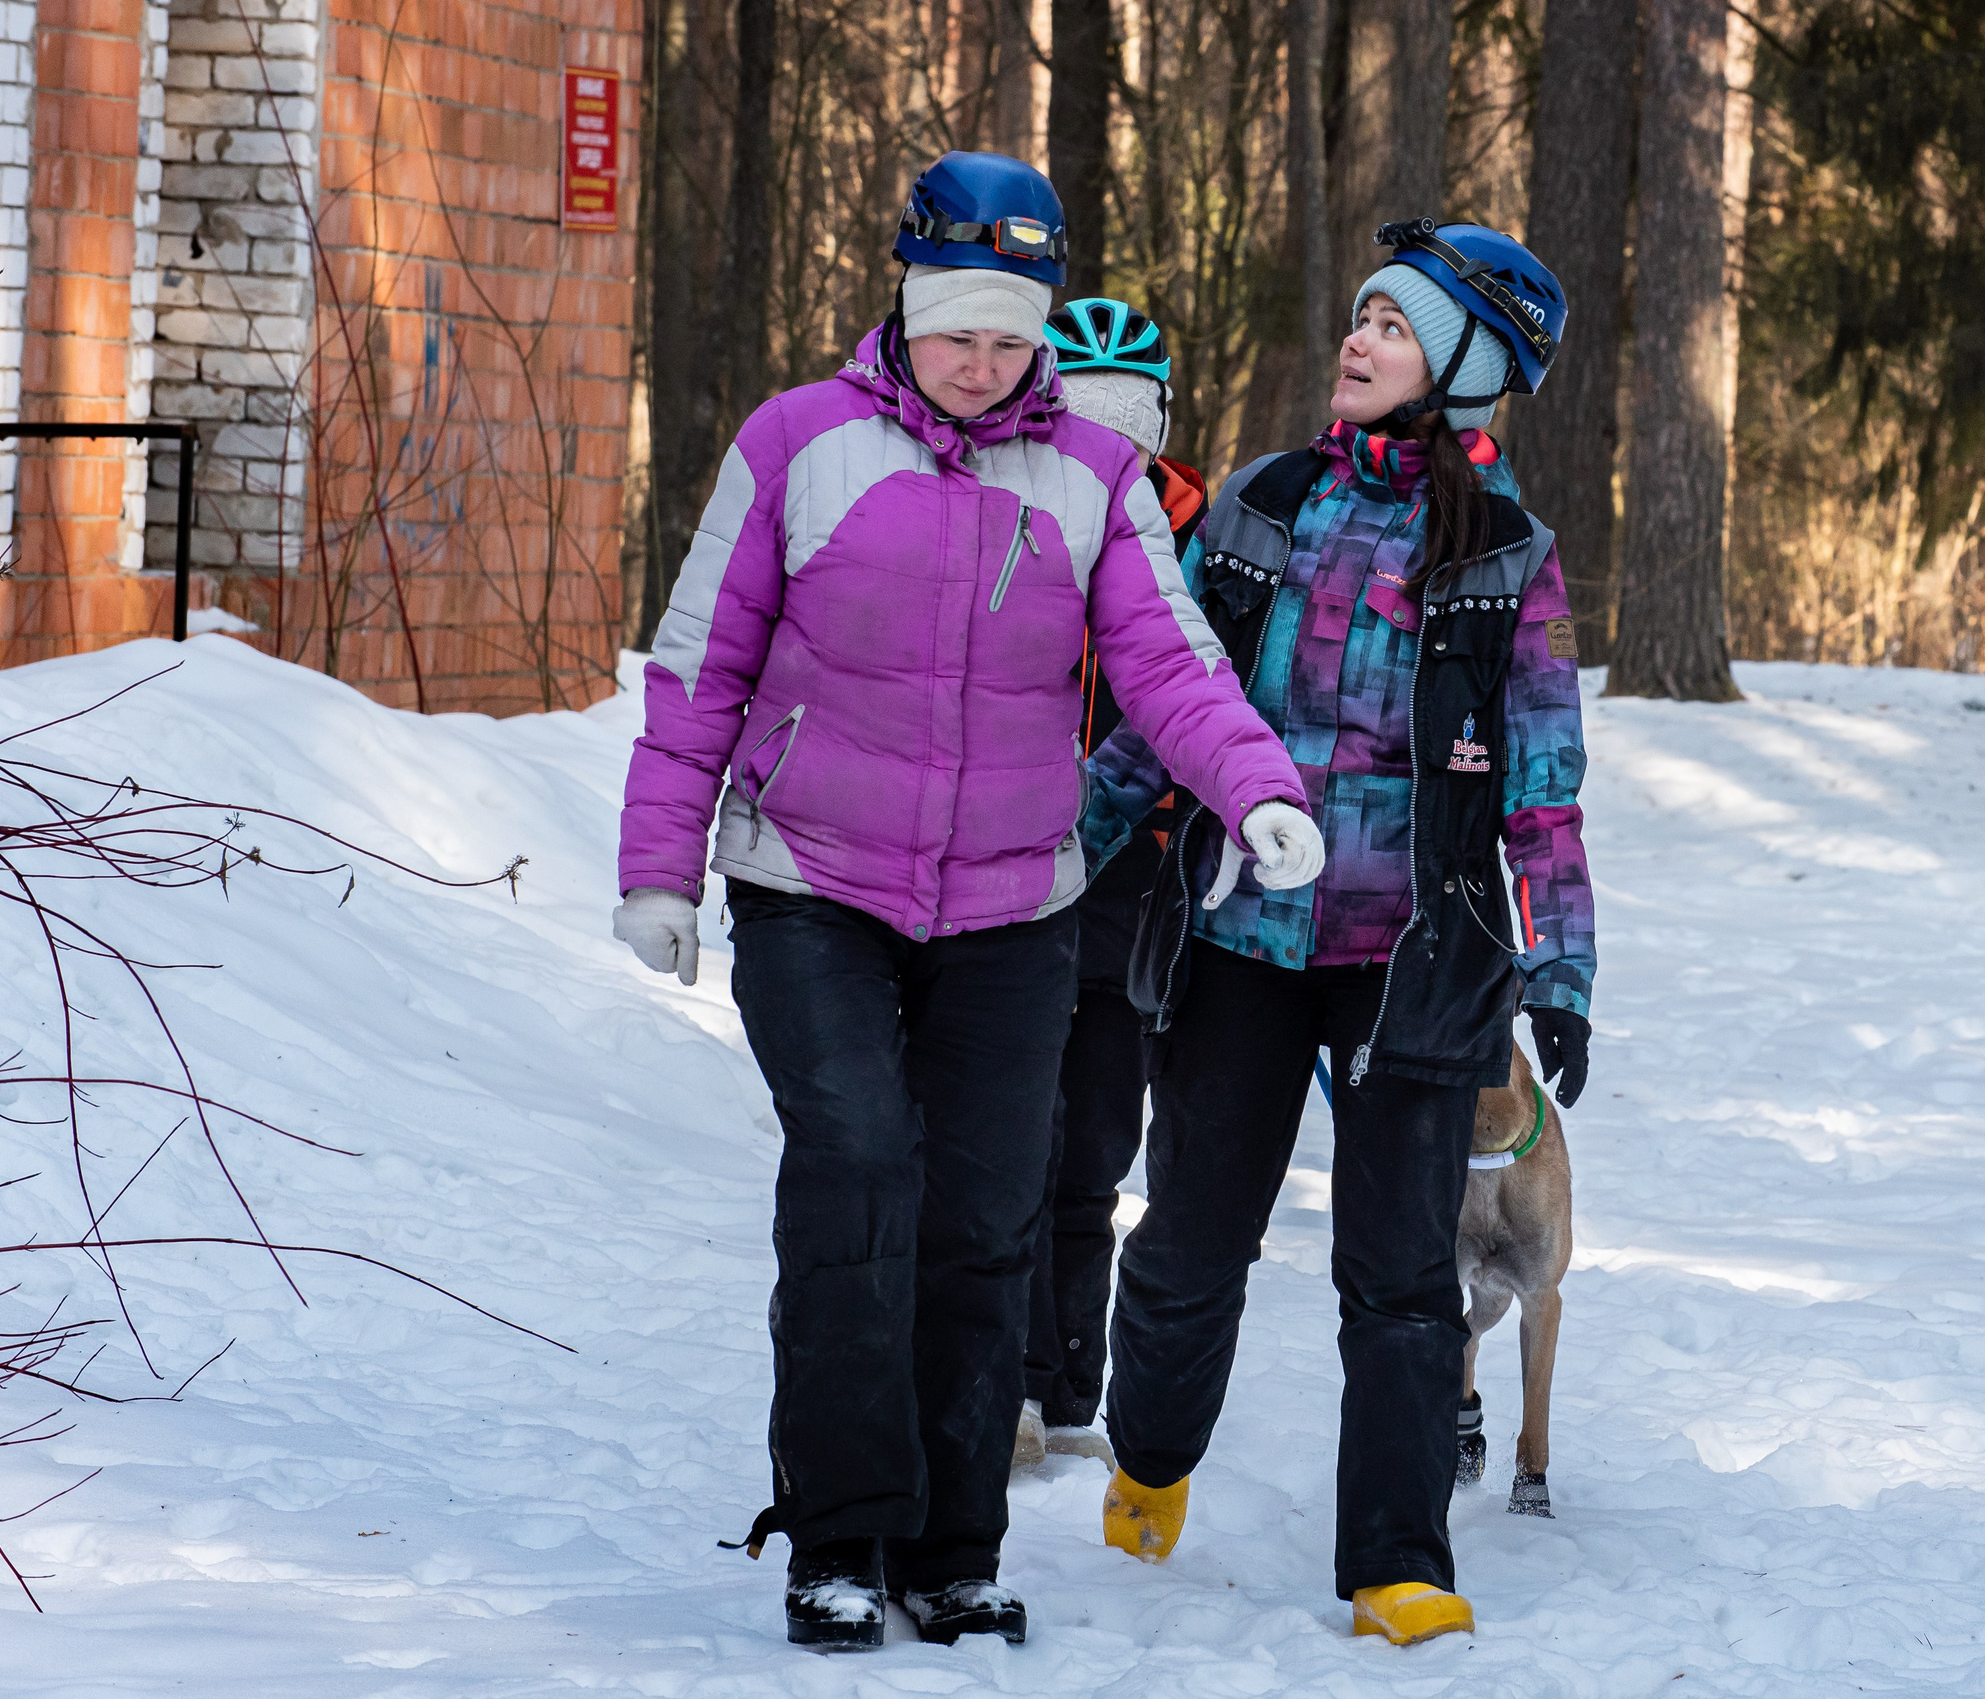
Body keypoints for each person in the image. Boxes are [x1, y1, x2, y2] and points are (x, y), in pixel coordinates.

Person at [609, 152, 1325, 1654]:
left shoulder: (1094, 475)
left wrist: (1257, 790)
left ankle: (951, 1546)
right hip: (813, 883)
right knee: (861, 1172)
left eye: (1013, 338)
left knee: (987, 1222)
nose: (986, 366)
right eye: (959, 334)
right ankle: (839, 1535)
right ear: (906, 309)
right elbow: (697, 669)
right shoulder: (797, 445)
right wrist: (660, 869)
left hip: (1014, 900)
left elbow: (1175, 663)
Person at [1079, 219, 1596, 1646]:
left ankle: (1396, 1559)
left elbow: (1543, 795)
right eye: (1360, 316)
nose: (1357, 340)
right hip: (1243, 937)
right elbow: (1163, 712)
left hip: (1417, 963)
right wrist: (1072, 841)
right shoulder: (1261, 501)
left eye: (1393, 325)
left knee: (1405, 1277)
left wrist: (1560, 974)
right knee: (1189, 1241)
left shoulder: (1510, 559)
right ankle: (1151, 1455)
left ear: (1461, 371)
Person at [1014, 299, 1206, 1470]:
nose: (1106, 445)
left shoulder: (1196, 531)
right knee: (1004, 1142)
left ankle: (1064, 1390)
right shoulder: (1003, 503)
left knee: (1090, 1149)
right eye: (1084, 416)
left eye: (1127, 421)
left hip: (1135, 879)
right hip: (1010, 855)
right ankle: (1005, 1383)